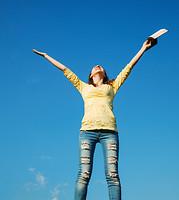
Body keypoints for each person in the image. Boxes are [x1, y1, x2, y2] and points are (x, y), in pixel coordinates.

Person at [33, 37, 156, 200]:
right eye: (95, 67)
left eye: (101, 67)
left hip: (109, 133)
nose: (98, 66)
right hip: (87, 133)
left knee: (112, 176)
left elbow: (129, 67)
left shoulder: (112, 86)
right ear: (91, 75)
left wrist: (143, 49)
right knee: (83, 175)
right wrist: (46, 56)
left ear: (104, 74)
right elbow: (65, 69)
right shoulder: (83, 87)